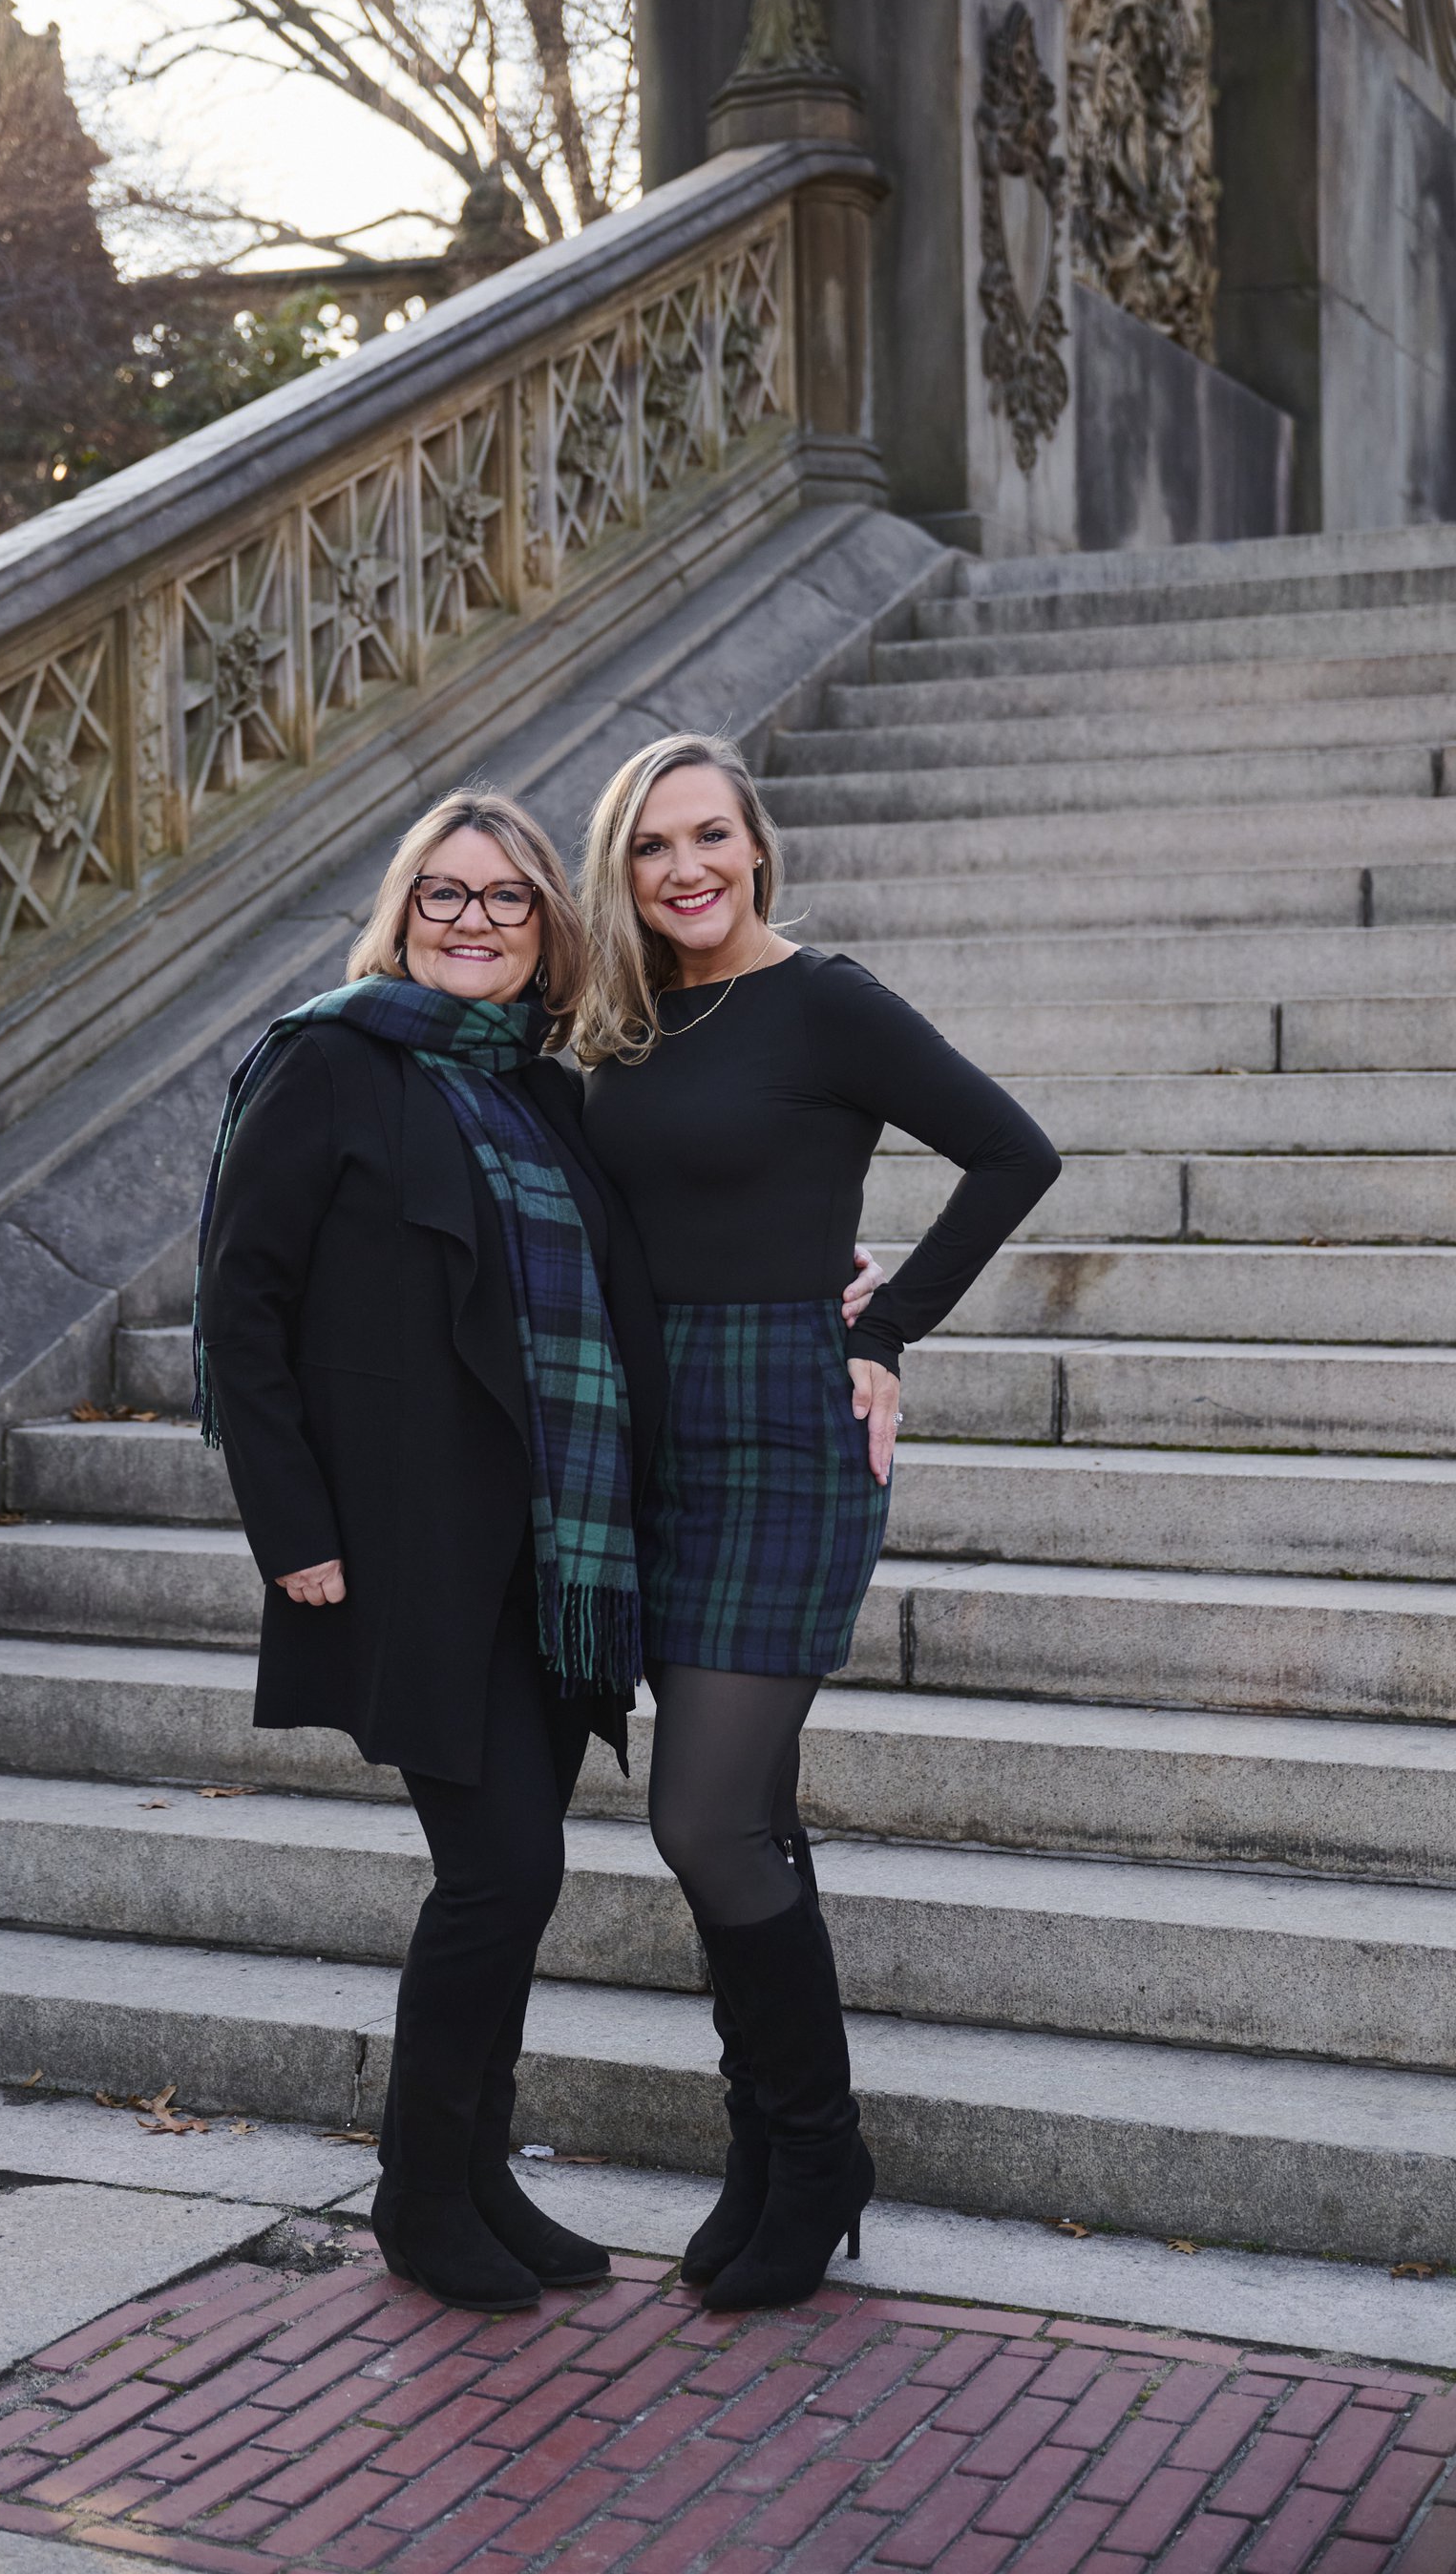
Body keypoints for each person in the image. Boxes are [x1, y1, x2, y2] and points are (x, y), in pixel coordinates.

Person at [576, 734, 1062, 2312]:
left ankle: (821, 2148)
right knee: (755, 1822)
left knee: (703, 1822)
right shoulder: (619, 1022)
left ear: (757, 847)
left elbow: (1014, 1152)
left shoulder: (825, 1002)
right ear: (622, 869)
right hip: (657, 1438)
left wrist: (886, 1324)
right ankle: (769, 2160)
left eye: (710, 836)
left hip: (788, 1428)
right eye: (653, 847)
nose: (686, 869)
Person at [193, 789, 665, 2313]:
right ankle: (416, 2195)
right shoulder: (328, 1061)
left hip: (551, 1558)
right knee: (501, 1871)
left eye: (506, 898)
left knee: (514, 1882)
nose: (473, 921)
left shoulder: (547, 1091)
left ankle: (478, 2177)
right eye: (444, 895)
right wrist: (293, 1529)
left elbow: (631, 1286)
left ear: (547, 930)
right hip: (406, 1546)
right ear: (402, 916)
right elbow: (242, 1307)